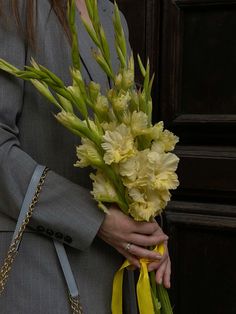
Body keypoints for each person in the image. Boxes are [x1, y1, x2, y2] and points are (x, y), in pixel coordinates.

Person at [0, 0, 171, 313]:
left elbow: (133, 139)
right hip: (38, 273)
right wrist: (95, 220)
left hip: (118, 277)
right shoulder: (13, 10)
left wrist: (147, 232)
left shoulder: (110, 13)